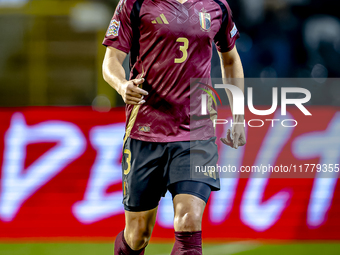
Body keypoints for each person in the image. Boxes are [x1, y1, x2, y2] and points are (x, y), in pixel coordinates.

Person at [102, 0, 246, 254]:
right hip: (146, 130)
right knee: (138, 235)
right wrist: (122, 85)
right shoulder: (134, 4)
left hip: (196, 132)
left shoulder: (217, 7)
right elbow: (111, 60)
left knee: (189, 221)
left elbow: (231, 59)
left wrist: (238, 115)